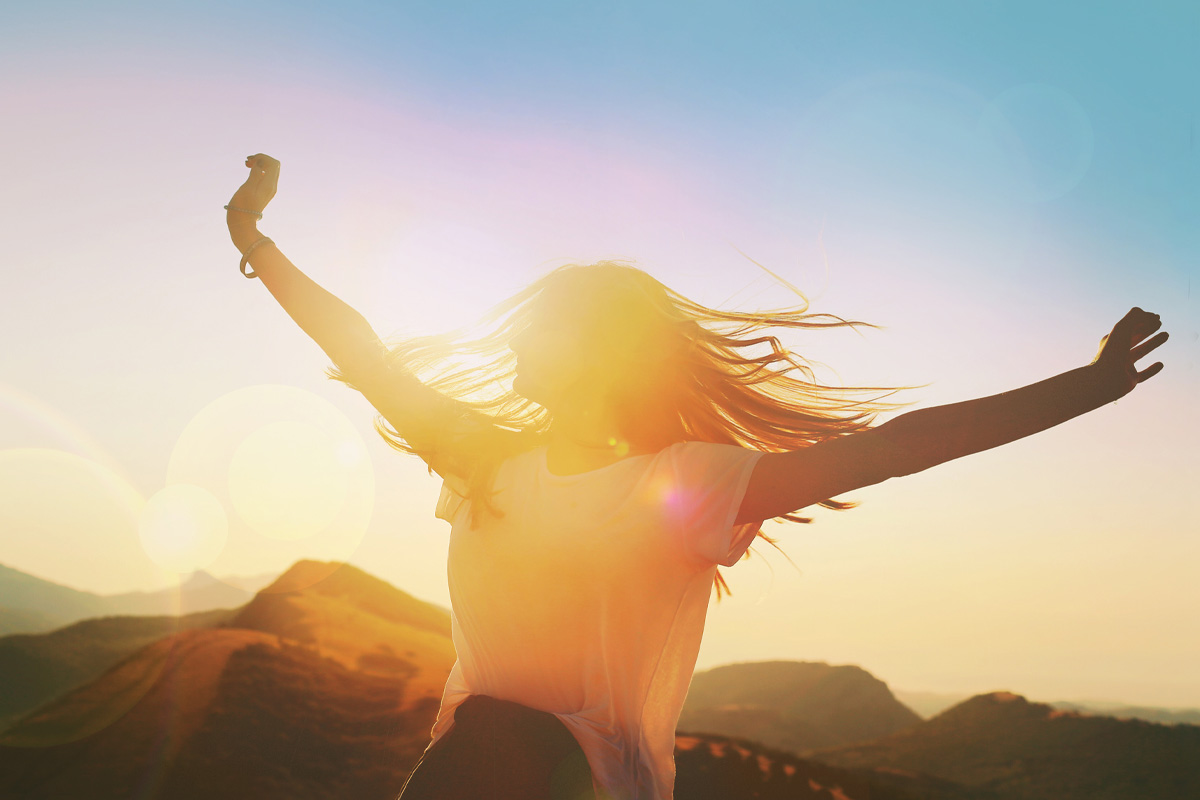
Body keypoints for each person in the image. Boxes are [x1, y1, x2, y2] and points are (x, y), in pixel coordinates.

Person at [225, 154, 1168, 800]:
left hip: (555, 779)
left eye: (539, 329)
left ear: (597, 353)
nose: (514, 341)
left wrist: (1089, 386)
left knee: (497, 739)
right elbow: (359, 345)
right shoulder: (487, 458)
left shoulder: (684, 488)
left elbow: (897, 446)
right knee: (487, 738)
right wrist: (255, 240)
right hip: (472, 769)